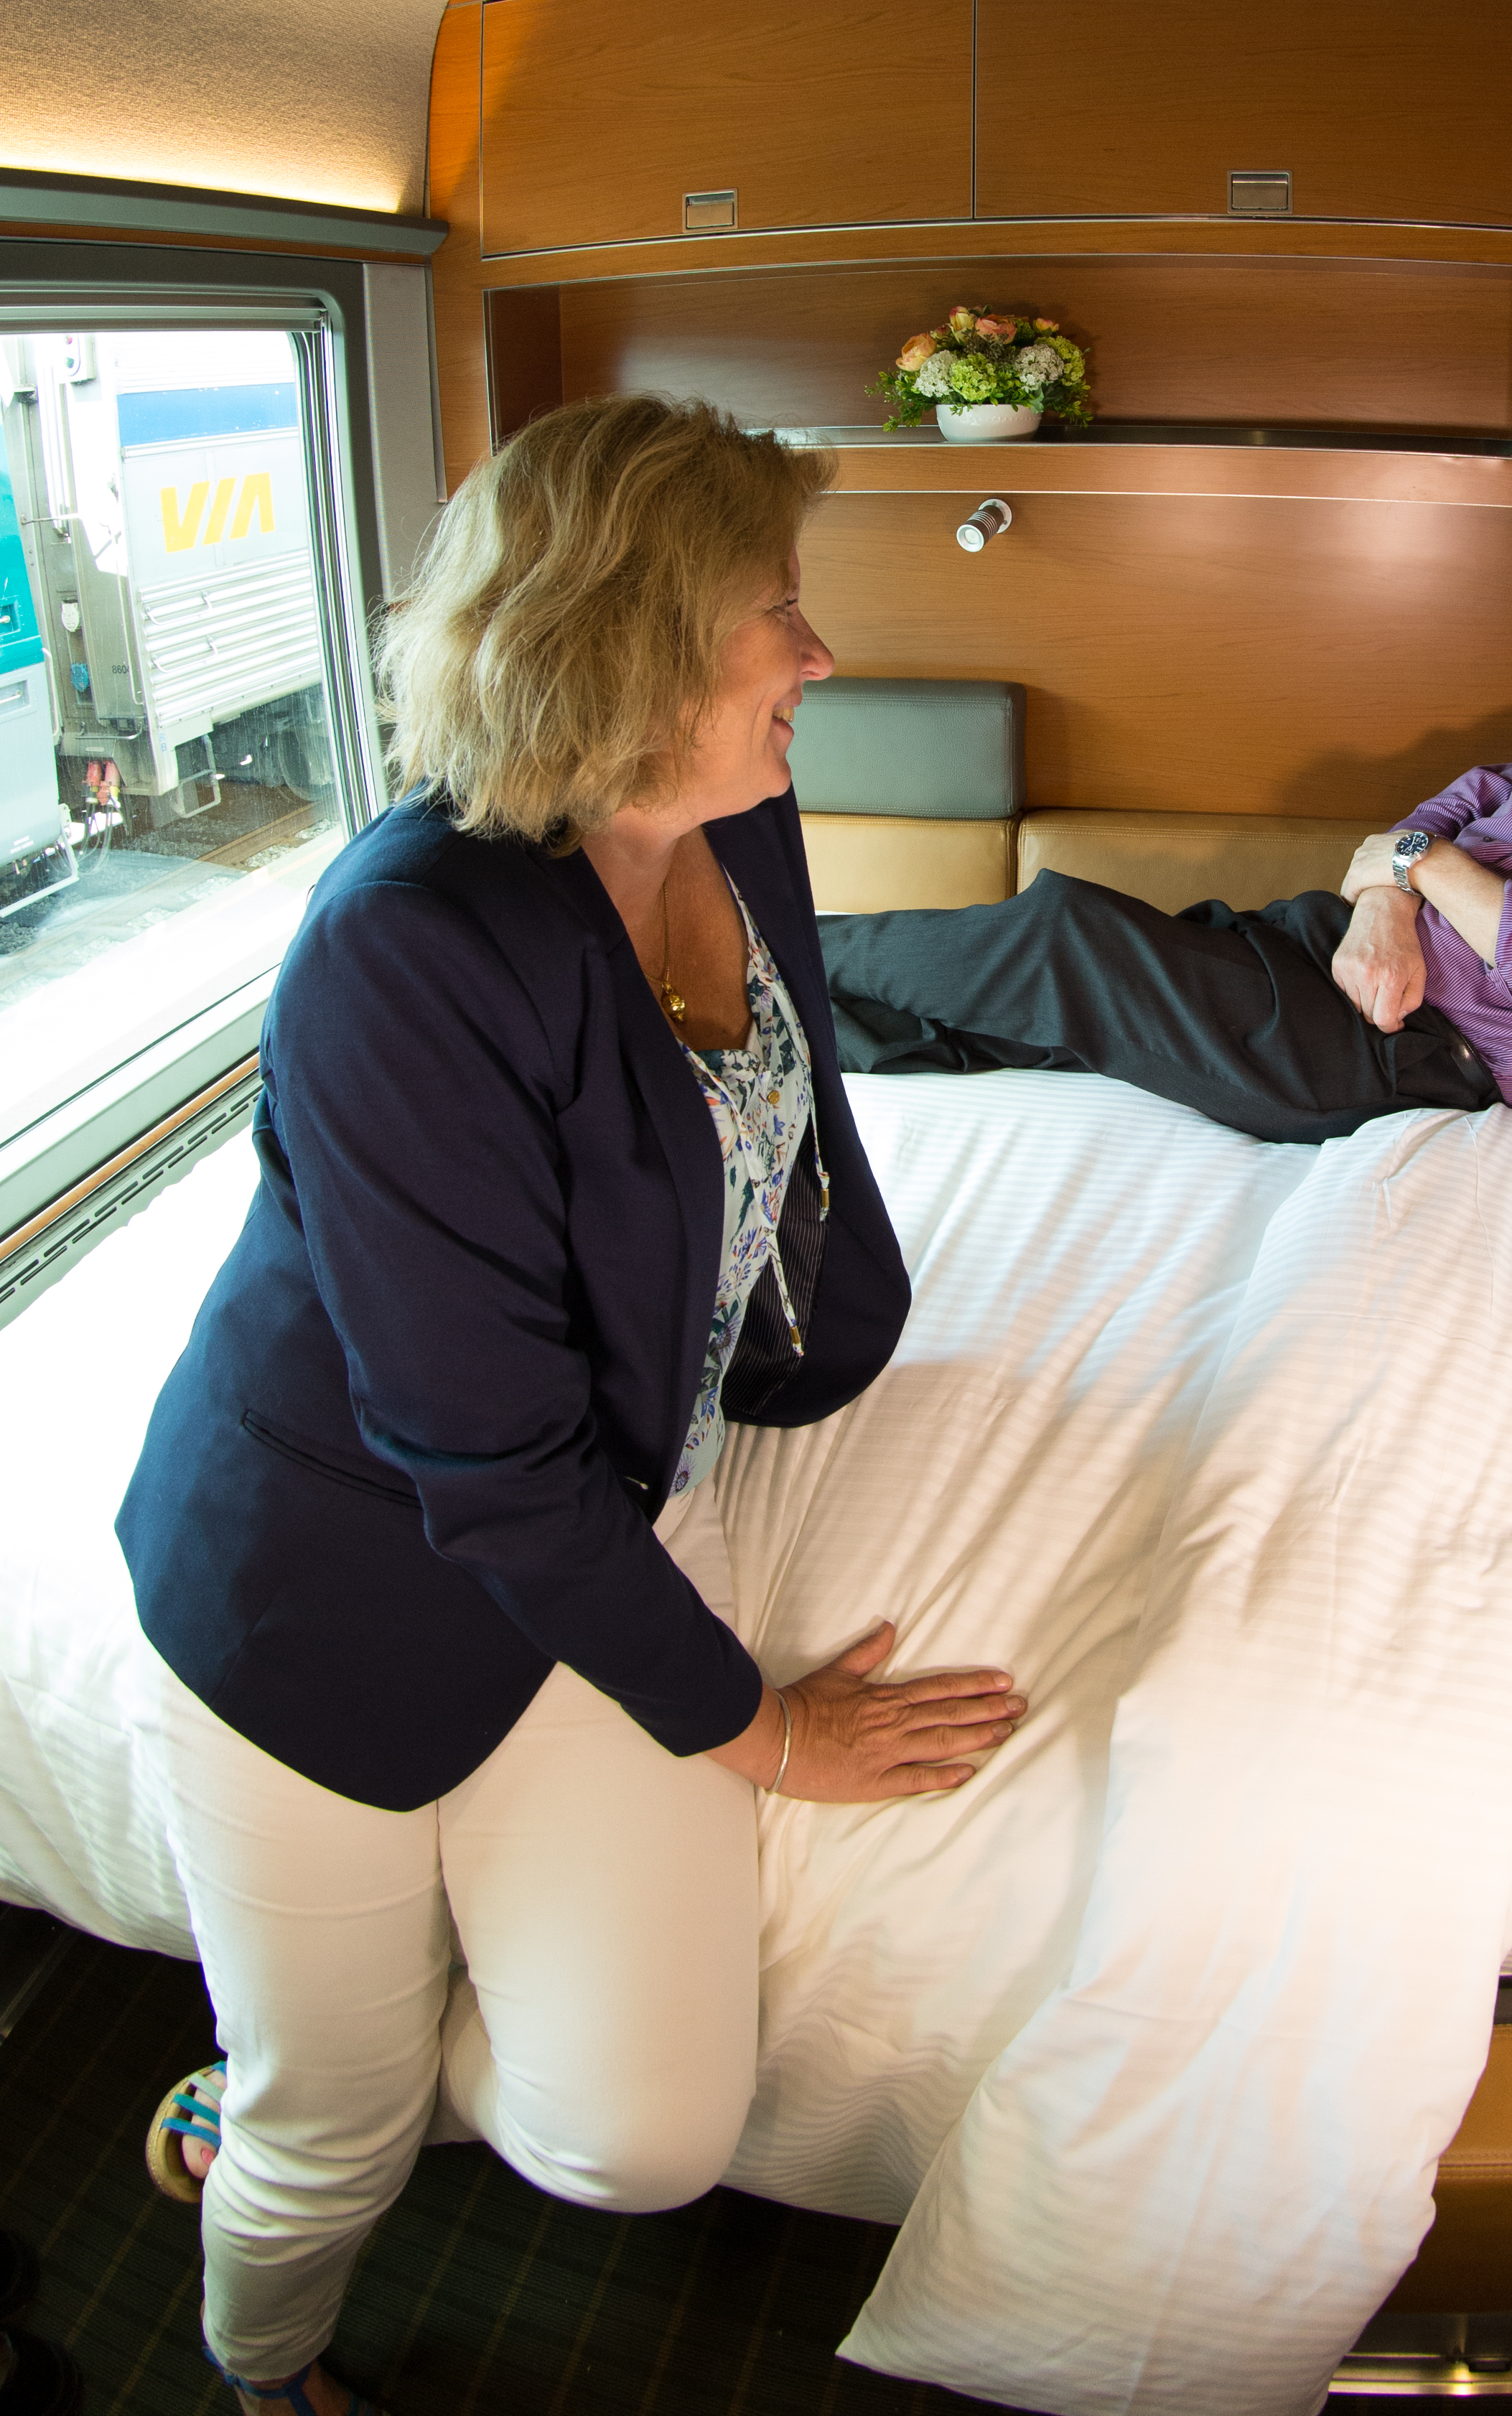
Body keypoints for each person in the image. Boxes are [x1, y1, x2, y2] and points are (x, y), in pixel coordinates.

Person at [117, 397, 1025, 2416]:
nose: (818, 657)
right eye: (772, 615)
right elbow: (485, 1462)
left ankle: (320, 2054)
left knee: (636, 2137)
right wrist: (768, 1727)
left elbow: (778, 1139)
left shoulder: (732, 817)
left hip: (604, 1513)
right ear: (618, 647)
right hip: (324, 1597)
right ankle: (261, 2361)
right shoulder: (404, 944)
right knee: (323, 2134)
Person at [823, 558, 1512, 1142]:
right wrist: (1386, 903)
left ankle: (770, 944)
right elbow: (1448, 806)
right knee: (1041, 1019)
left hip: (1396, 1044)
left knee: (1060, 935)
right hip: (1333, 947)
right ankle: (778, 1030)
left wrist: (1417, 871)